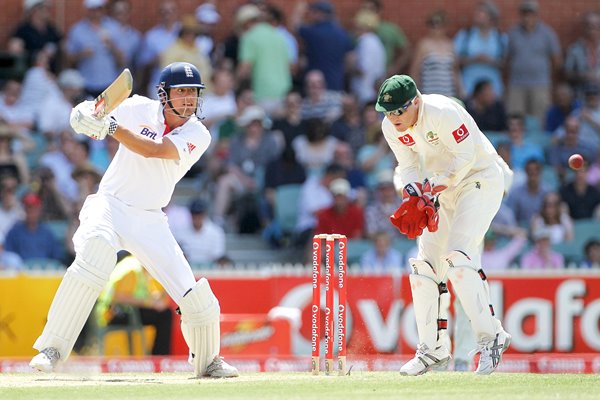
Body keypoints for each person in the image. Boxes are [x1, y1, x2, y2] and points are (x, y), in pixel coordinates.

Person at [29, 62, 238, 378]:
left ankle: (208, 361)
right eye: (181, 92)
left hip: (150, 219)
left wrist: (111, 129)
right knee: (95, 256)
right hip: (109, 206)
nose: (188, 100)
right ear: (164, 94)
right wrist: (83, 114)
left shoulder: (198, 132)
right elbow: (92, 109)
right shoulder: (138, 107)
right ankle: (52, 350)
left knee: (193, 293)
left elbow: (154, 151)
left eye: (193, 94)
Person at [375, 74, 512, 375]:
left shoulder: (442, 112)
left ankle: (491, 338)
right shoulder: (390, 126)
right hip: (442, 191)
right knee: (425, 267)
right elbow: (408, 165)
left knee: (459, 259)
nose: (393, 118)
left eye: (399, 110)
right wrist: (413, 191)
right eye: (387, 111)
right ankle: (432, 351)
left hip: (479, 179)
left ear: (416, 102)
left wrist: (437, 184)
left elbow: (465, 156)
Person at [95, 253, 173, 355]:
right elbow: (119, 297)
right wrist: (150, 303)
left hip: (120, 311)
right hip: (114, 314)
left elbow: (141, 294)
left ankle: (158, 355)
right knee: (165, 315)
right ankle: (159, 357)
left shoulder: (132, 265)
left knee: (163, 313)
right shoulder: (132, 270)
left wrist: (158, 296)